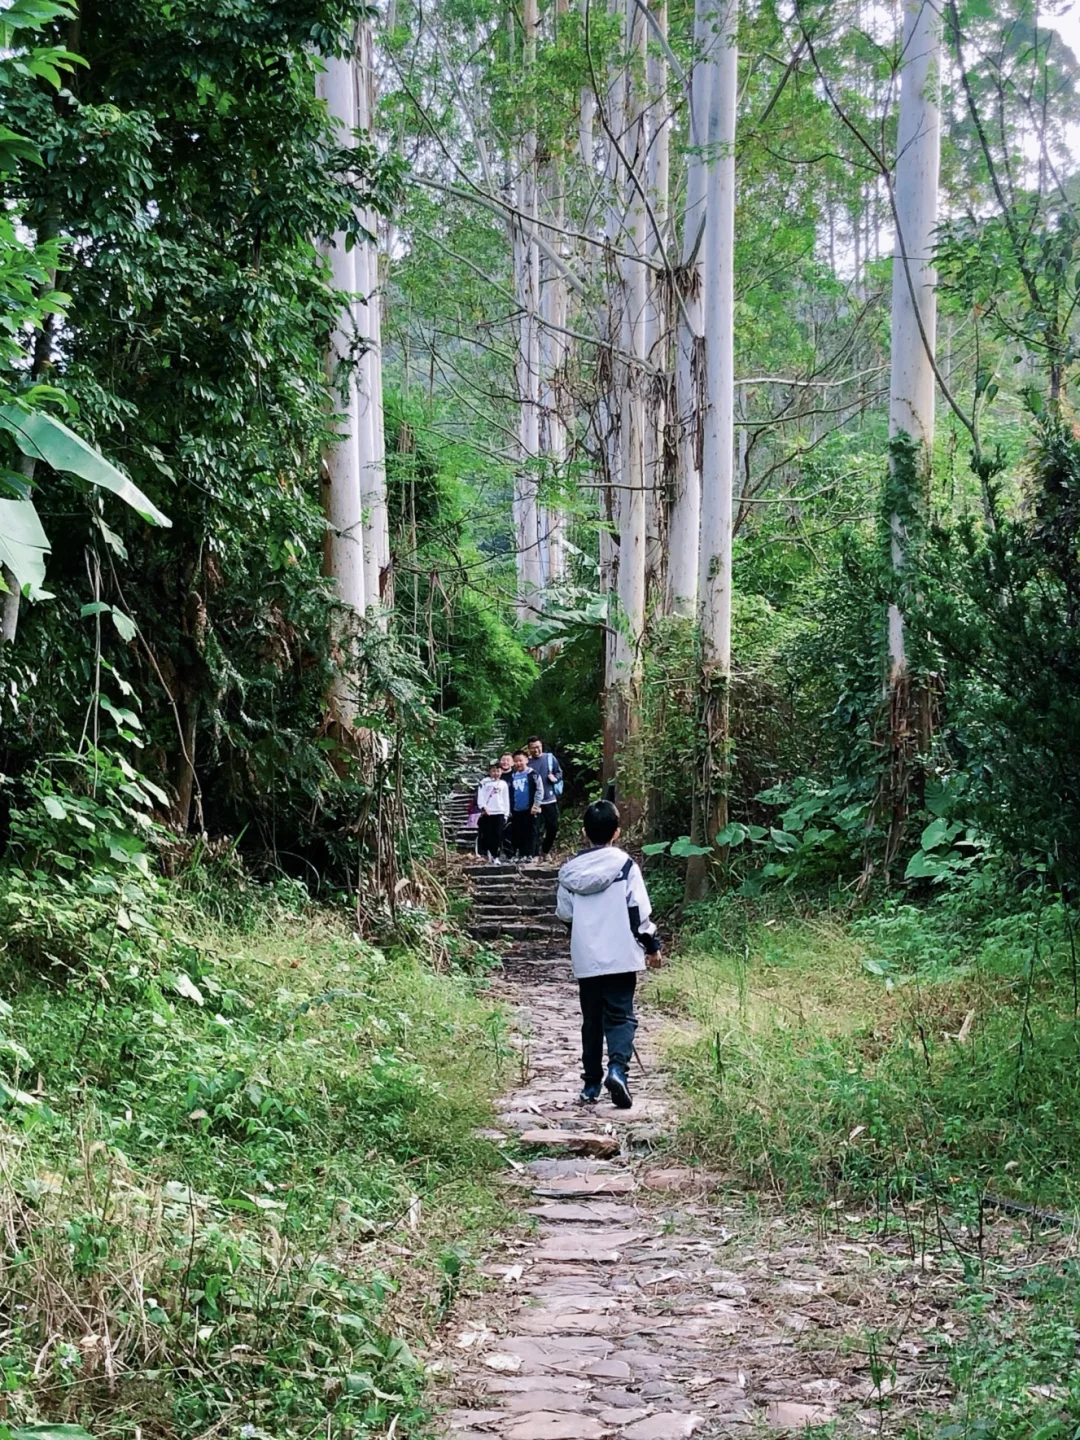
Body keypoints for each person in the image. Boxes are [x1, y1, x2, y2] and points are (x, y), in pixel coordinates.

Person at [555, 800, 660, 1109]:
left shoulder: (569, 872)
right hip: (621, 954)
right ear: (617, 831)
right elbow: (638, 910)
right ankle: (617, 1070)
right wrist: (651, 945)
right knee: (620, 1015)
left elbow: (565, 913)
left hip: (587, 957)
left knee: (591, 1020)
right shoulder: (625, 865)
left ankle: (590, 1084)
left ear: (584, 832)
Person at [527, 735, 563, 857]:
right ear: (529, 748)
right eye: (533, 748)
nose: (536, 750)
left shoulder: (549, 758)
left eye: (538, 747)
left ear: (542, 746)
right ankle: (535, 855)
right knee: (534, 830)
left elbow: (559, 772)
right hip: (534, 802)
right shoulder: (527, 762)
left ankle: (545, 850)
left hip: (550, 799)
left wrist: (555, 778)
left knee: (553, 827)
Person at [507, 750, 541, 860]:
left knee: (530, 831)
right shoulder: (513, 776)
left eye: (520, 760)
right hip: (516, 809)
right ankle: (520, 853)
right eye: (516, 761)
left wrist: (536, 804)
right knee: (518, 831)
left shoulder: (532, 774)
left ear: (526, 760)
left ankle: (530, 853)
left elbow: (539, 790)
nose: (518, 763)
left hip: (530, 808)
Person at [475, 761, 509, 864]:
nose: (496, 773)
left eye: (498, 771)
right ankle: (486, 854)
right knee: (487, 834)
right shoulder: (484, 782)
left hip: (499, 812)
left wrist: (506, 813)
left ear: (501, 771)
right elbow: (480, 796)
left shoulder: (503, 784)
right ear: (489, 771)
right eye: (493, 771)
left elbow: (505, 799)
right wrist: (482, 807)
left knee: (498, 835)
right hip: (487, 812)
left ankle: (496, 855)